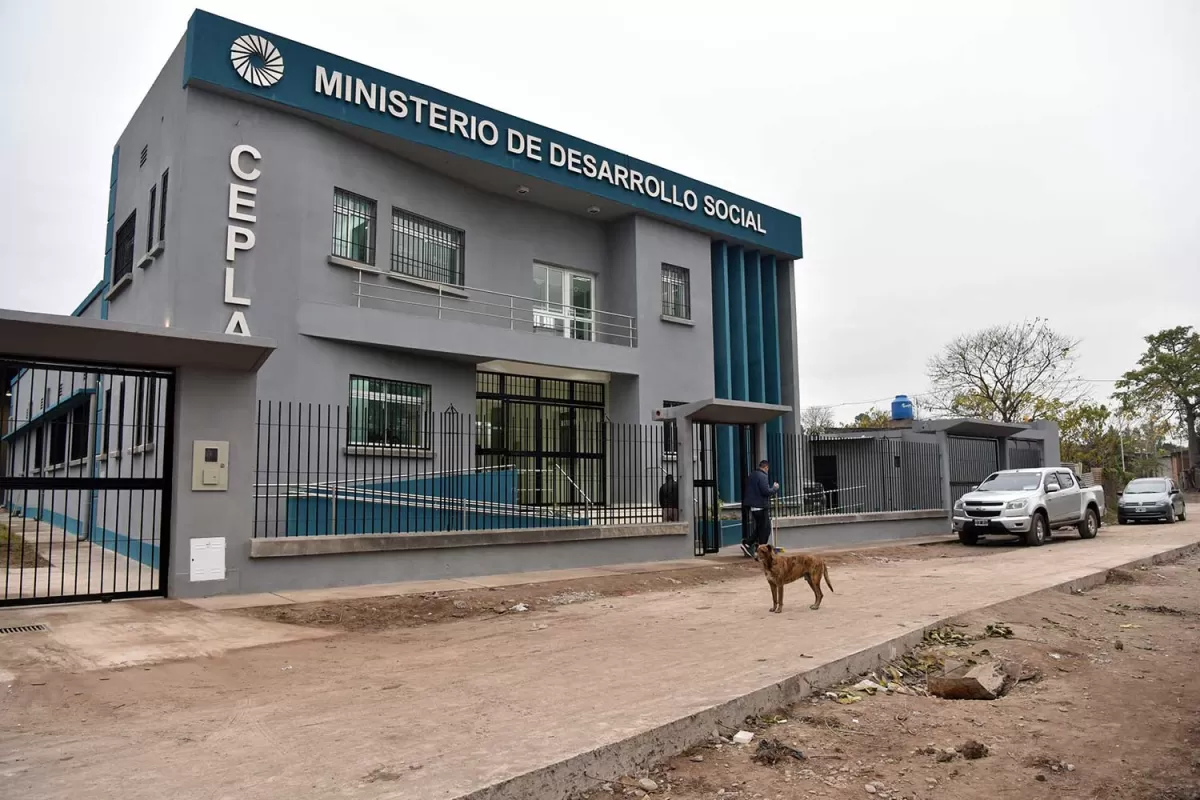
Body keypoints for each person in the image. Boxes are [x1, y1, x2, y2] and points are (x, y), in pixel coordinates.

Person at [742, 459, 780, 558]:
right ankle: (761, 550)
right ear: (766, 467)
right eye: (768, 469)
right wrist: (774, 488)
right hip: (761, 506)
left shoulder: (752, 475)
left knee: (760, 527)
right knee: (765, 529)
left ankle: (748, 543)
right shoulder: (762, 476)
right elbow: (765, 491)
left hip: (754, 506)